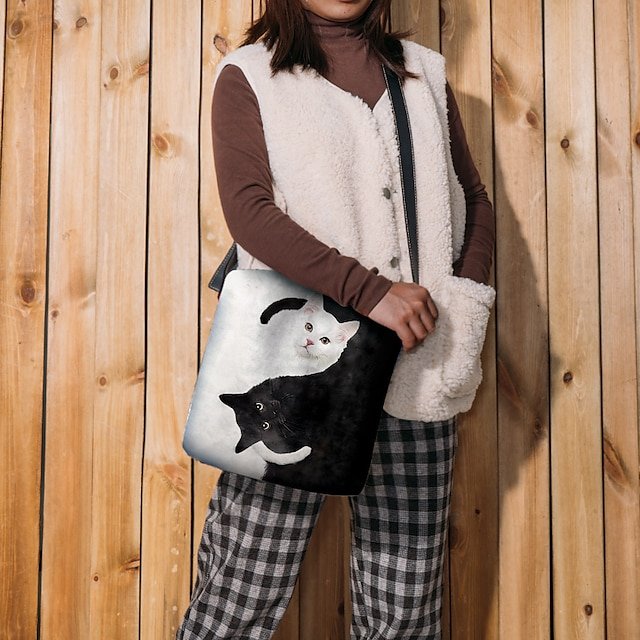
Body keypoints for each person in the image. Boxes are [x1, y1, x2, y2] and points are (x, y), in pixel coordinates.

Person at [177, 0, 496, 638]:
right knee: (241, 589)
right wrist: (369, 292)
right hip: (291, 378)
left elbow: (473, 199)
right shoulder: (250, 74)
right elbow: (249, 212)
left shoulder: (425, 74)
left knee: (405, 606)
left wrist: (462, 295)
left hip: (419, 361)